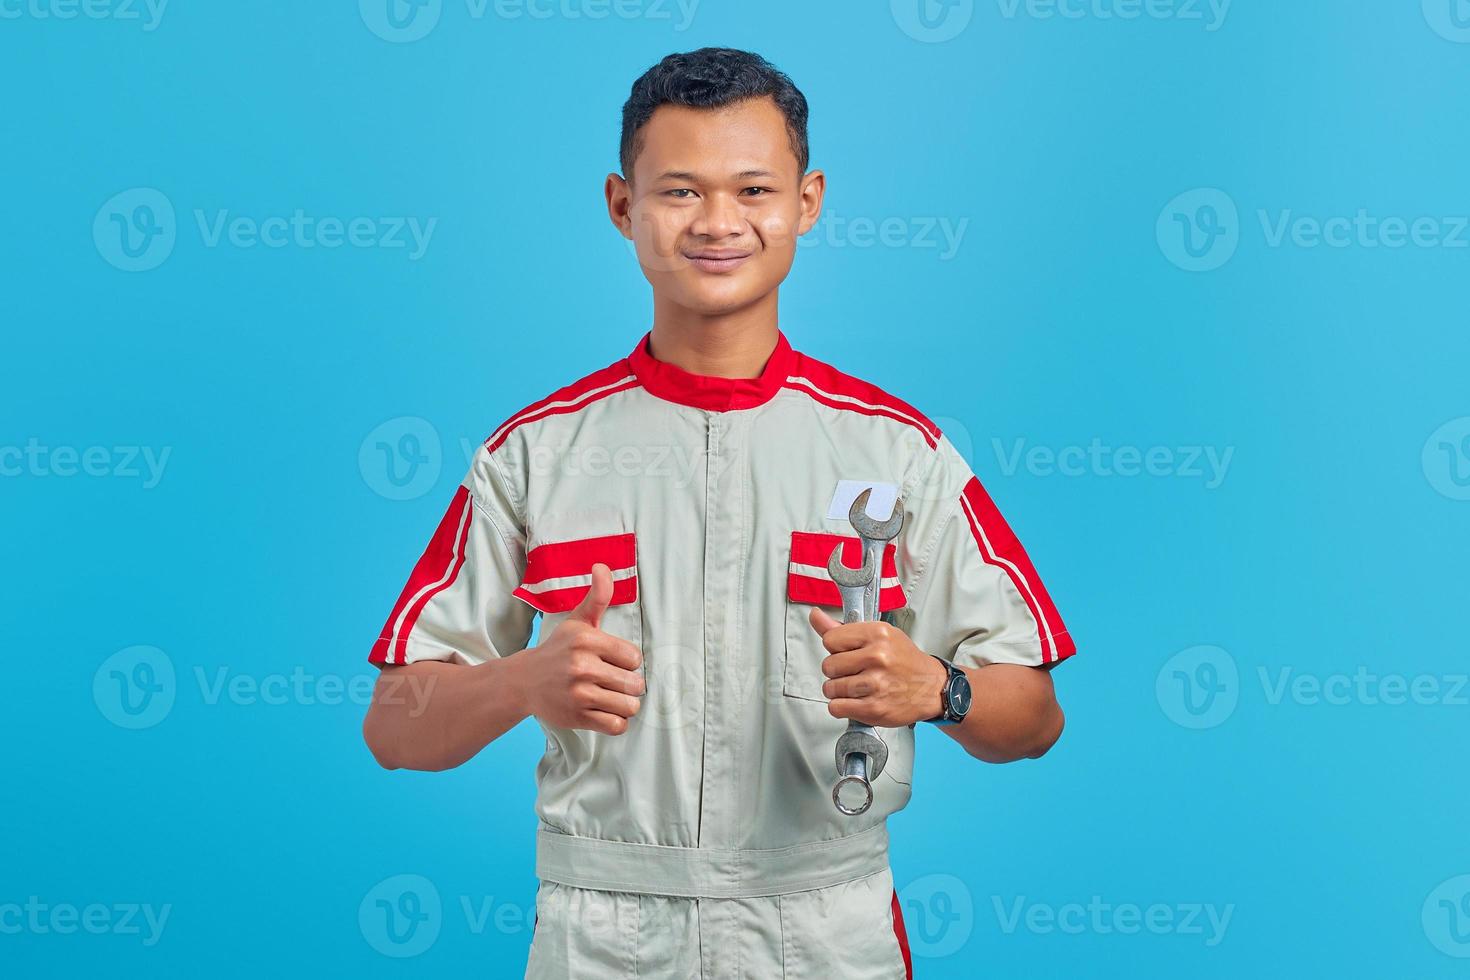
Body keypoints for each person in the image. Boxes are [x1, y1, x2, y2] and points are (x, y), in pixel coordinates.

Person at [362, 46, 1076, 980]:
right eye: (680, 192)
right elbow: (394, 727)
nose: (718, 223)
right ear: (623, 206)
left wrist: (940, 689)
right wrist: (521, 683)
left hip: (827, 929)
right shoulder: (533, 454)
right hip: (603, 933)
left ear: (807, 202)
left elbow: (1035, 718)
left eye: (752, 189)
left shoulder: (898, 452)